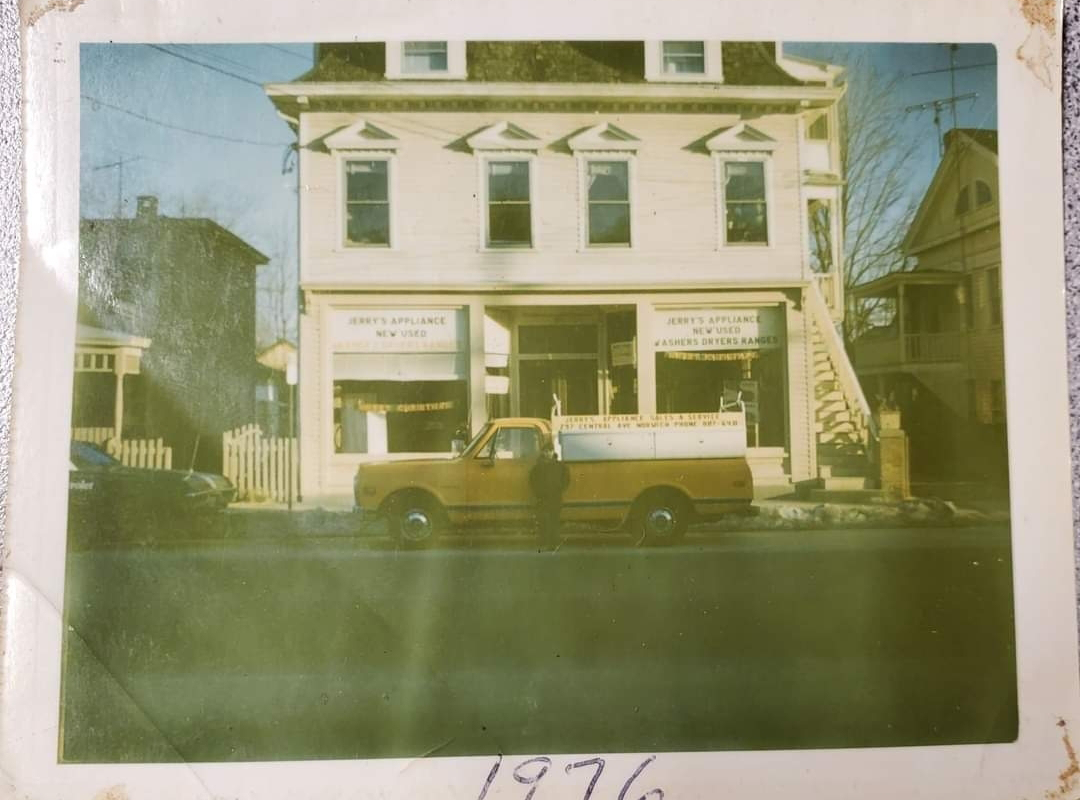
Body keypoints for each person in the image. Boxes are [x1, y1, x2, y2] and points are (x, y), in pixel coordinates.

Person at [529, 444, 569, 550]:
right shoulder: (537, 467)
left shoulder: (560, 466)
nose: (547, 453)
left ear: (553, 452)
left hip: (555, 497)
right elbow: (532, 481)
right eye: (545, 451)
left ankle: (553, 544)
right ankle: (544, 542)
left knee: (554, 521)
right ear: (542, 452)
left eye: (549, 451)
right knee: (543, 521)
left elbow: (566, 479)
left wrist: (560, 488)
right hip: (542, 498)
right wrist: (538, 492)